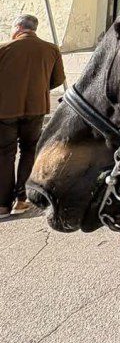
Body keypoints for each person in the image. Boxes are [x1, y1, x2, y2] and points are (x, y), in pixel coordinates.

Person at [0, 14, 65, 217]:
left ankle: (2, 205)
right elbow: (57, 80)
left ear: (18, 27)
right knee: (29, 150)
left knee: (4, 154)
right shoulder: (51, 49)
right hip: (37, 109)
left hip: (5, 110)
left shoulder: (3, 49)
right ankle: (22, 199)